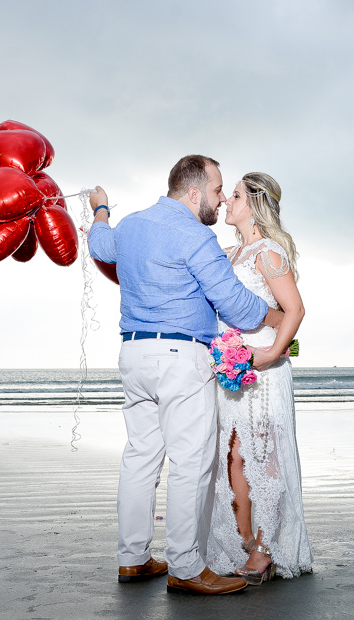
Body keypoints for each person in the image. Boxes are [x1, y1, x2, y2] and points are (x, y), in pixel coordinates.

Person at [87, 155, 284, 595]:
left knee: (140, 457)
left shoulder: (134, 225)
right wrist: (277, 314)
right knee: (191, 464)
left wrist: (100, 209)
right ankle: (187, 567)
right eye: (217, 191)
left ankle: (133, 560)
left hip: (134, 353)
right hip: (180, 355)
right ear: (194, 193)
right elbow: (233, 304)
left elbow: (100, 245)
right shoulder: (195, 235)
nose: (219, 200)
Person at [206, 172, 313, 584]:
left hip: (263, 371)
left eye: (233, 195)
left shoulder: (268, 253)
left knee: (264, 456)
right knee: (234, 453)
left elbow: (295, 310)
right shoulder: (230, 254)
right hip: (234, 369)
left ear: (253, 203)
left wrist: (269, 354)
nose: (226, 202)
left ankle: (267, 549)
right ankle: (246, 538)